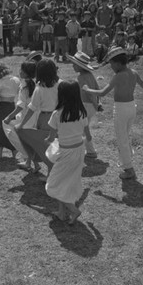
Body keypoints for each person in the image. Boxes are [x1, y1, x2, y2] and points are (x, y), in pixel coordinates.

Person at [83, 47, 143, 179]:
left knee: (122, 139)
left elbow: (103, 92)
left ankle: (129, 168)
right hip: (132, 107)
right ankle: (128, 159)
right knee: (125, 136)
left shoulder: (119, 76)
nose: (111, 67)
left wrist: (87, 90)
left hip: (121, 109)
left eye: (112, 64)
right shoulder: (134, 72)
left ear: (118, 63)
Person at [45, 81, 92, 224]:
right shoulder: (81, 112)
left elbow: (51, 137)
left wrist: (48, 141)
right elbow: (88, 136)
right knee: (66, 182)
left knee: (53, 185)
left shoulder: (57, 114)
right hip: (79, 151)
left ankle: (73, 210)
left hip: (65, 153)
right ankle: (61, 212)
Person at [15, 59, 60, 180]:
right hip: (60, 117)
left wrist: (22, 125)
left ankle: (51, 174)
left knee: (47, 147)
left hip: (45, 119)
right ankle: (58, 172)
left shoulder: (39, 87)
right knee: (58, 145)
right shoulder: (61, 83)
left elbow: (32, 108)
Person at [3, 61, 39, 170]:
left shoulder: (25, 85)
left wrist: (9, 116)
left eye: (22, 70)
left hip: (26, 116)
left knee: (23, 139)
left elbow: (20, 106)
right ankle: (32, 163)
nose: (19, 72)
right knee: (28, 140)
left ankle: (31, 160)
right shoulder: (35, 83)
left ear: (26, 73)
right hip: (34, 116)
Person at [67, 51, 99, 158]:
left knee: (83, 129)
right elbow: (97, 88)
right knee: (84, 128)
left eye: (74, 64)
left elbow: (89, 92)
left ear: (80, 67)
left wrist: (96, 103)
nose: (72, 65)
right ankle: (87, 150)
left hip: (85, 105)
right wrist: (97, 103)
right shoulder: (90, 75)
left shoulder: (81, 78)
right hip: (90, 106)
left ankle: (90, 151)